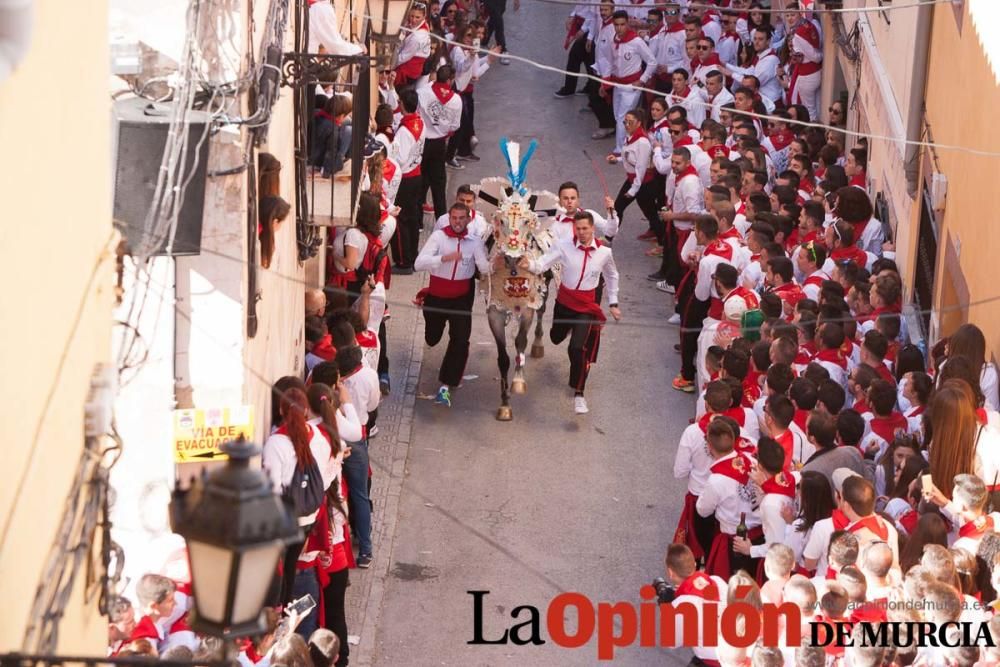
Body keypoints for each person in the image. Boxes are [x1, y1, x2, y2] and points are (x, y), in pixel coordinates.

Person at [520, 211, 621, 414]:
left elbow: (612, 275)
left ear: (593, 228)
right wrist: (528, 264)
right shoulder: (564, 246)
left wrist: (613, 302)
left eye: (585, 228)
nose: (582, 232)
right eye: (578, 229)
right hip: (565, 303)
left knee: (577, 349)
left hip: (586, 307)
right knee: (555, 338)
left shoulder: (604, 253)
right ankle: (568, 330)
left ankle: (579, 393)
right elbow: (543, 263)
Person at [414, 202, 491, 407]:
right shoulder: (439, 237)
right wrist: (444, 258)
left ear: (468, 219)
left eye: (461, 218)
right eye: (454, 218)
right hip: (437, 298)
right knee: (432, 338)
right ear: (449, 219)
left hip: (460, 300)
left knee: (460, 340)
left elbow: (483, 267)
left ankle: (446, 385)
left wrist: (497, 261)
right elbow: (418, 263)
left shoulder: (474, 242)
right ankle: (427, 311)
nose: (457, 222)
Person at [602, 10, 656, 158]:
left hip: (632, 86)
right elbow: (610, 62)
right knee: (617, 116)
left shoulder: (636, 42)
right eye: (616, 25)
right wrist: (605, 82)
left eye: (622, 24)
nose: (619, 28)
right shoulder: (613, 41)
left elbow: (652, 62)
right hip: (618, 84)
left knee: (622, 117)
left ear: (628, 24)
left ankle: (620, 149)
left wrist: (642, 80)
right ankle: (628, 143)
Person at [417, 65, 463, 220]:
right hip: (439, 144)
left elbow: (417, 114)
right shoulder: (456, 100)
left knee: (421, 180)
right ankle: (441, 220)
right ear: (450, 81)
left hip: (423, 141)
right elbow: (455, 126)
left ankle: (418, 221)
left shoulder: (423, 92)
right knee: (438, 183)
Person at [389, 88, 426, 273]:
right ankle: (412, 254)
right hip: (416, 173)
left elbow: (400, 158)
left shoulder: (404, 130)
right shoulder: (420, 122)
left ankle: (403, 260)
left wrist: (391, 151)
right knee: (412, 219)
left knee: (401, 220)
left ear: (402, 105)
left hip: (405, 177)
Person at [611, 108, 660, 238]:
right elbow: (630, 157)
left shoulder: (642, 142)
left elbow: (641, 167)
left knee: (651, 213)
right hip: (634, 180)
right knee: (619, 208)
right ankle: (609, 236)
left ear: (639, 123)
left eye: (630, 122)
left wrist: (633, 190)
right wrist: (617, 159)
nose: (627, 125)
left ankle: (662, 241)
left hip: (643, 183)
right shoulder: (631, 137)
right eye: (625, 122)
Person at [395, 3, 432, 86]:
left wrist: (389, 65)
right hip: (412, 67)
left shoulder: (418, 37)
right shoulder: (422, 24)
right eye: (412, 16)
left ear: (424, 17)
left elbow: (403, 57)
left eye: (417, 17)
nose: (413, 20)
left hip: (408, 71)